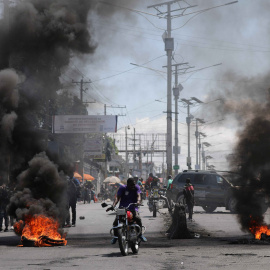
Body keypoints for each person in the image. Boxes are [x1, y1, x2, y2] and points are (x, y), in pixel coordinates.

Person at [107, 178, 147, 244]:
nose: (133, 186)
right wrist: (113, 205)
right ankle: (115, 236)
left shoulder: (137, 187)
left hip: (133, 208)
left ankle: (140, 235)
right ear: (127, 184)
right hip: (122, 208)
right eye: (131, 185)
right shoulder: (122, 188)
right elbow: (117, 198)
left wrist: (138, 201)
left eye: (134, 184)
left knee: (138, 219)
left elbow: (138, 196)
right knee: (116, 222)